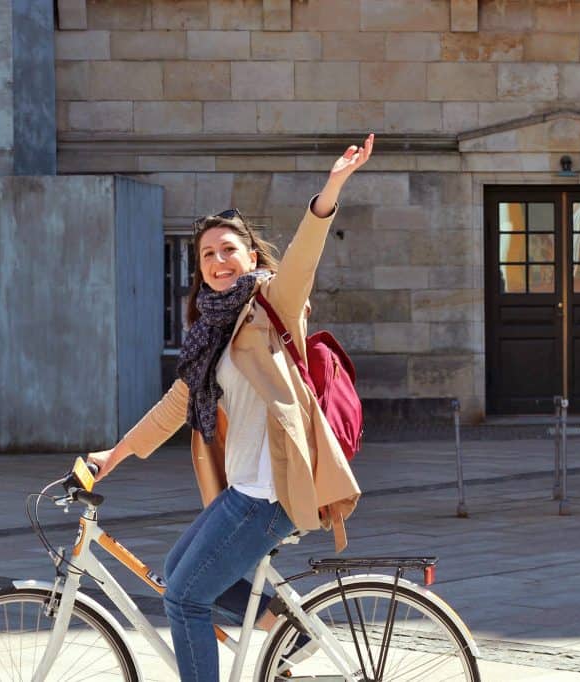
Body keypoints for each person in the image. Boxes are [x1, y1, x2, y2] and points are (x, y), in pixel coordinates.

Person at [89, 135, 375, 682]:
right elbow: (177, 404)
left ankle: (280, 638)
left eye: (229, 250)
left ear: (250, 256)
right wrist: (114, 455)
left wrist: (333, 185)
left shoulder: (274, 306)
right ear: (199, 268)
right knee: (177, 575)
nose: (219, 261)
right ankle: (292, 633)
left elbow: (305, 253)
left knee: (187, 600)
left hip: (272, 491)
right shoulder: (211, 334)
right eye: (208, 254)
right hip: (244, 488)